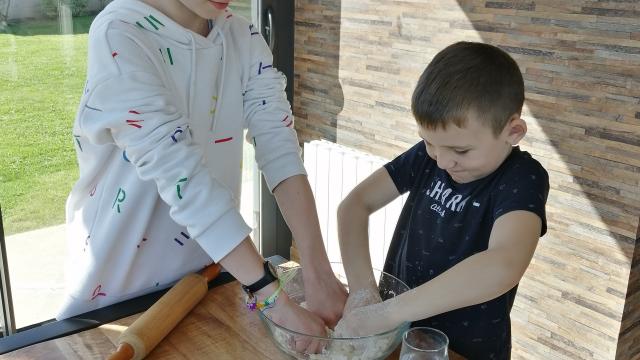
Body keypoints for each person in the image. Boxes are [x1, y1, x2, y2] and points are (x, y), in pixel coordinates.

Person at [59, 0, 347, 349]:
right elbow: (185, 180)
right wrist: (272, 299)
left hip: (207, 281)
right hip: (116, 299)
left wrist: (318, 272)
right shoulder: (120, 34)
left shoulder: (240, 36)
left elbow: (280, 149)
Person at [334, 41, 549, 359]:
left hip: (466, 350)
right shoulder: (428, 156)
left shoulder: (521, 178)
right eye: (429, 143)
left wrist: (386, 313)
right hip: (399, 337)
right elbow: (355, 205)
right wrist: (363, 294)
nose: (443, 162)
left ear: (513, 131)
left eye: (460, 151)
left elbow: (503, 264)